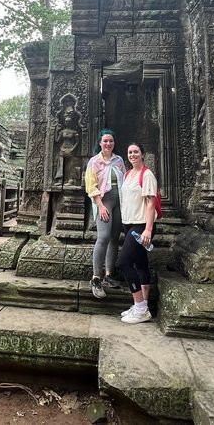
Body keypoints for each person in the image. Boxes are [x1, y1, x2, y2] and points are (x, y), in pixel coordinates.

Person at [84, 128, 126, 299]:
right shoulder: (94, 162)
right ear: (100, 143)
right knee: (103, 237)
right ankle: (96, 277)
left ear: (114, 143)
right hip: (104, 201)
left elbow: (125, 180)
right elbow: (90, 186)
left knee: (115, 237)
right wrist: (100, 206)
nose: (108, 144)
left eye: (111, 141)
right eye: (105, 141)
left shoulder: (119, 160)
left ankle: (109, 275)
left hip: (120, 201)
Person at [118, 141, 157, 324]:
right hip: (129, 224)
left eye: (136, 152)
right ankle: (143, 306)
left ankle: (140, 307)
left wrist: (148, 229)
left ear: (142, 154)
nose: (132, 155)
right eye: (130, 152)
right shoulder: (128, 174)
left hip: (142, 225)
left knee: (124, 262)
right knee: (140, 263)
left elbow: (150, 203)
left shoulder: (147, 175)